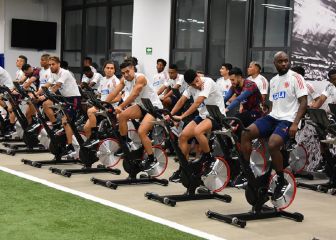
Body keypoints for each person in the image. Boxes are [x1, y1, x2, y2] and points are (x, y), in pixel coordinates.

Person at [241, 51, 308, 201]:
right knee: (246, 133)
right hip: (273, 117)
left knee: (272, 144)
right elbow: (273, 104)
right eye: (281, 61)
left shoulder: (296, 78)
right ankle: (246, 171)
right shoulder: (274, 80)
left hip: (289, 119)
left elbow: (304, 102)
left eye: (286, 61)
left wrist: (295, 123)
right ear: (275, 63)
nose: (284, 63)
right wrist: (266, 117)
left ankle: (280, 179)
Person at [105, 60, 163, 171]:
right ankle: (124, 145)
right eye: (123, 73)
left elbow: (134, 94)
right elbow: (114, 93)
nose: (126, 75)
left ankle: (152, 159)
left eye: (128, 71)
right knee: (122, 116)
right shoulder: (124, 80)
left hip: (153, 108)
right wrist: (103, 103)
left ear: (133, 69)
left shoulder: (140, 78)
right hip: (142, 106)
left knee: (142, 131)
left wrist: (121, 106)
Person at [170, 69, 226, 176]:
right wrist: (170, 114)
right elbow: (181, 101)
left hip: (217, 116)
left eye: (197, 81)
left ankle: (209, 158)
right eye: (193, 84)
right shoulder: (190, 87)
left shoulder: (208, 82)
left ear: (198, 76)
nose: (196, 84)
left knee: (197, 131)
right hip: (203, 116)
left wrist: (182, 116)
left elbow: (197, 103)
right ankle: (184, 167)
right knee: (183, 136)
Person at [48, 56, 82, 155]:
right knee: (48, 106)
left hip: (74, 98)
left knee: (66, 121)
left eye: (53, 64)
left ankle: (71, 146)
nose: (51, 66)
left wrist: (44, 96)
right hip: (66, 98)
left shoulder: (64, 72)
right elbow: (48, 84)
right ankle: (57, 127)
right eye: (50, 64)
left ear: (58, 64)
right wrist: (38, 94)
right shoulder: (53, 74)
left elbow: (57, 85)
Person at [83, 60, 121, 138]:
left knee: (90, 111)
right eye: (107, 68)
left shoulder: (116, 81)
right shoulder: (103, 79)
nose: (109, 70)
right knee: (86, 128)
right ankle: (92, 147)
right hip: (101, 106)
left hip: (110, 107)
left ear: (114, 70)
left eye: (112, 68)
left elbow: (118, 98)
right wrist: (95, 99)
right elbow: (99, 95)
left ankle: (94, 134)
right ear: (104, 69)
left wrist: (105, 102)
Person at [224, 67, 263, 135]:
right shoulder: (234, 86)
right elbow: (225, 98)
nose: (231, 82)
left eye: (233, 80)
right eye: (230, 80)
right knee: (231, 129)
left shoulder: (250, 85)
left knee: (237, 119)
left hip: (257, 112)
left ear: (239, 77)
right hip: (246, 112)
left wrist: (226, 109)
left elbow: (238, 99)